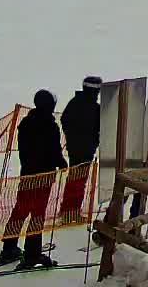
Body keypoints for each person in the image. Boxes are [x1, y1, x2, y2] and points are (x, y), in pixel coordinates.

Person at [0, 89, 66, 270]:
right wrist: (62, 163)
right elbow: (54, 151)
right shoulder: (50, 126)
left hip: (27, 174)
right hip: (43, 177)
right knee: (37, 214)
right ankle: (32, 253)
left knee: (20, 211)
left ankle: (9, 247)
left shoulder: (26, 123)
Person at [56, 76, 101, 224]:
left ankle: (67, 210)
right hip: (84, 150)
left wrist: (72, 136)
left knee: (74, 180)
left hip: (75, 148)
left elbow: (64, 120)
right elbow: (100, 128)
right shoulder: (94, 108)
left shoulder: (75, 102)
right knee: (78, 182)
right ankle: (71, 213)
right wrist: (91, 139)